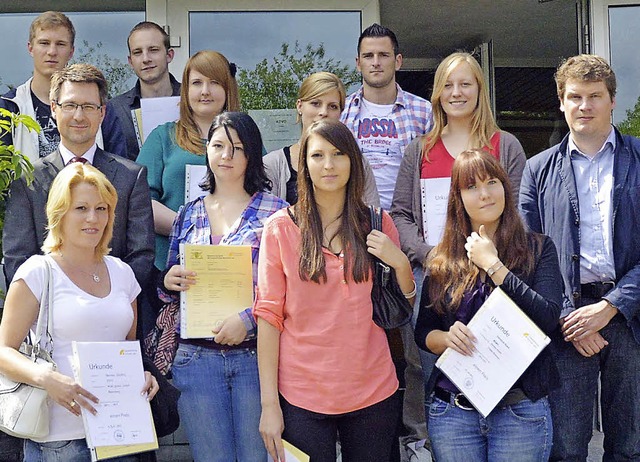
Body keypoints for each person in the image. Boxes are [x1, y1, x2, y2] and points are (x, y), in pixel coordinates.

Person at [255, 119, 414, 462]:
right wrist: (270, 406)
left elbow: (404, 304)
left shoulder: (377, 222)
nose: (328, 165)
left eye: (338, 154)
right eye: (318, 155)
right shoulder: (280, 229)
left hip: (373, 391)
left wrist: (399, 262)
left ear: (353, 162)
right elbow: (268, 318)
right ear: (305, 165)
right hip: (302, 397)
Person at [519, 54, 640, 461]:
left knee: (630, 445)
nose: (584, 105)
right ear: (561, 102)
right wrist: (571, 318)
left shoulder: (639, 160)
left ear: (612, 101)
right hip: (566, 322)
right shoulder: (537, 171)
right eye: (575, 96)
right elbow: (527, 255)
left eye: (594, 96)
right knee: (566, 446)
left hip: (630, 318)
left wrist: (611, 307)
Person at [0, 162, 159, 462]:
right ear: (59, 213)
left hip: (120, 436)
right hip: (59, 441)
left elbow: (126, 349)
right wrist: (45, 378)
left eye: (102, 209)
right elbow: (3, 351)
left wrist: (144, 374)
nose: (93, 218)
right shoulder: (36, 272)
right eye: (81, 208)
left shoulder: (123, 274)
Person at [415, 148, 562, 461]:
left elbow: (548, 317)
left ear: (505, 188)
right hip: (453, 413)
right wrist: (444, 339)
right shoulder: (443, 259)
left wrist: (494, 266)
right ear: (458, 198)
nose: (484, 194)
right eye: (471, 187)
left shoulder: (538, 248)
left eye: (491, 182)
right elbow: (423, 331)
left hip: (519, 411)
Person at [160, 112, 287, 462]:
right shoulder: (188, 213)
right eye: (218, 146)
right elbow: (171, 278)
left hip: (254, 357)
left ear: (252, 155)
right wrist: (170, 280)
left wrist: (248, 319)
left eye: (237, 148)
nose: (226, 156)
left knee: (258, 457)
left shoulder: (278, 213)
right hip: (196, 359)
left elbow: (292, 291)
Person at [340, 24, 433, 458]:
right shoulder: (341, 117)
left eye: (384, 55)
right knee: (356, 342)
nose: (375, 62)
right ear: (357, 62)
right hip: (354, 244)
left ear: (398, 62)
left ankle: (417, 436)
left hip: (410, 242)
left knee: (416, 348)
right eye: (368, 55)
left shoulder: (422, 113)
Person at [3, 63, 154, 294]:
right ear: (54, 109)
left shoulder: (131, 178)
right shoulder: (27, 181)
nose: (79, 115)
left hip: (113, 312)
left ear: (102, 112)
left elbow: (141, 257)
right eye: (70, 105)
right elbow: (17, 260)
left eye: (88, 106)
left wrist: (106, 297)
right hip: (48, 315)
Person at [137, 50, 239, 275]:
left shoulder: (246, 141)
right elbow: (140, 201)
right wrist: (192, 226)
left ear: (227, 88)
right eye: (196, 83)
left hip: (230, 265)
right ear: (185, 89)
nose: (205, 91)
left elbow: (257, 196)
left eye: (214, 83)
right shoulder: (163, 137)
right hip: (169, 268)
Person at [0, 11, 126, 163]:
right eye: (44, 43)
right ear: (30, 48)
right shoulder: (9, 107)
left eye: (60, 44)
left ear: (71, 51)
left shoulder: (99, 108)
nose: (52, 52)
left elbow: (119, 171)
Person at [263, 71, 379, 206]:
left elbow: (371, 216)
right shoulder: (271, 165)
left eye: (333, 106)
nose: (324, 112)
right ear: (299, 106)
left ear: (341, 113)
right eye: (316, 103)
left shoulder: (358, 163)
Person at [108, 21, 181, 161]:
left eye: (153, 50)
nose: (146, 59)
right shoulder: (115, 109)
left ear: (169, 55)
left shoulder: (192, 100)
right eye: (138, 52)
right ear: (130, 61)